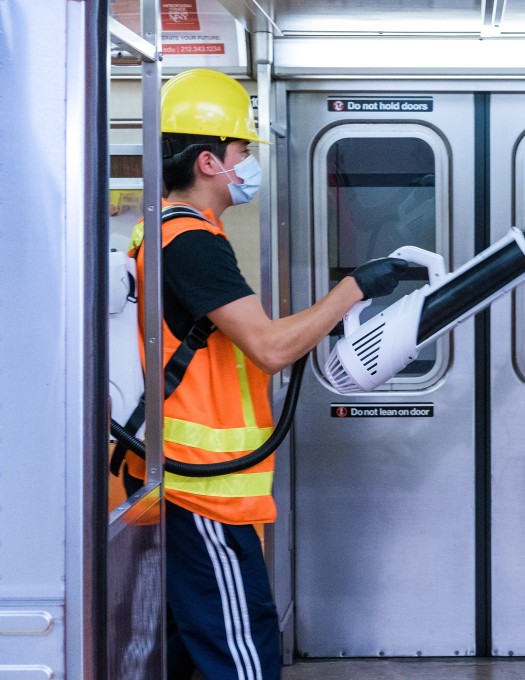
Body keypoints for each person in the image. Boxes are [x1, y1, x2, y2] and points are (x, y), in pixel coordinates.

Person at [124, 68, 407, 680]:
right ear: (208, 162)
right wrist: (354, 288)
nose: (248, 161)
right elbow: (271, 349)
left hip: (191, 487)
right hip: (203, 494)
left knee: (185, 656)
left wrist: (331, 316)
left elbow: (244, 341)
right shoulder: (191, 241)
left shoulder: (171, 233)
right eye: (241, 149)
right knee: (245, 657)